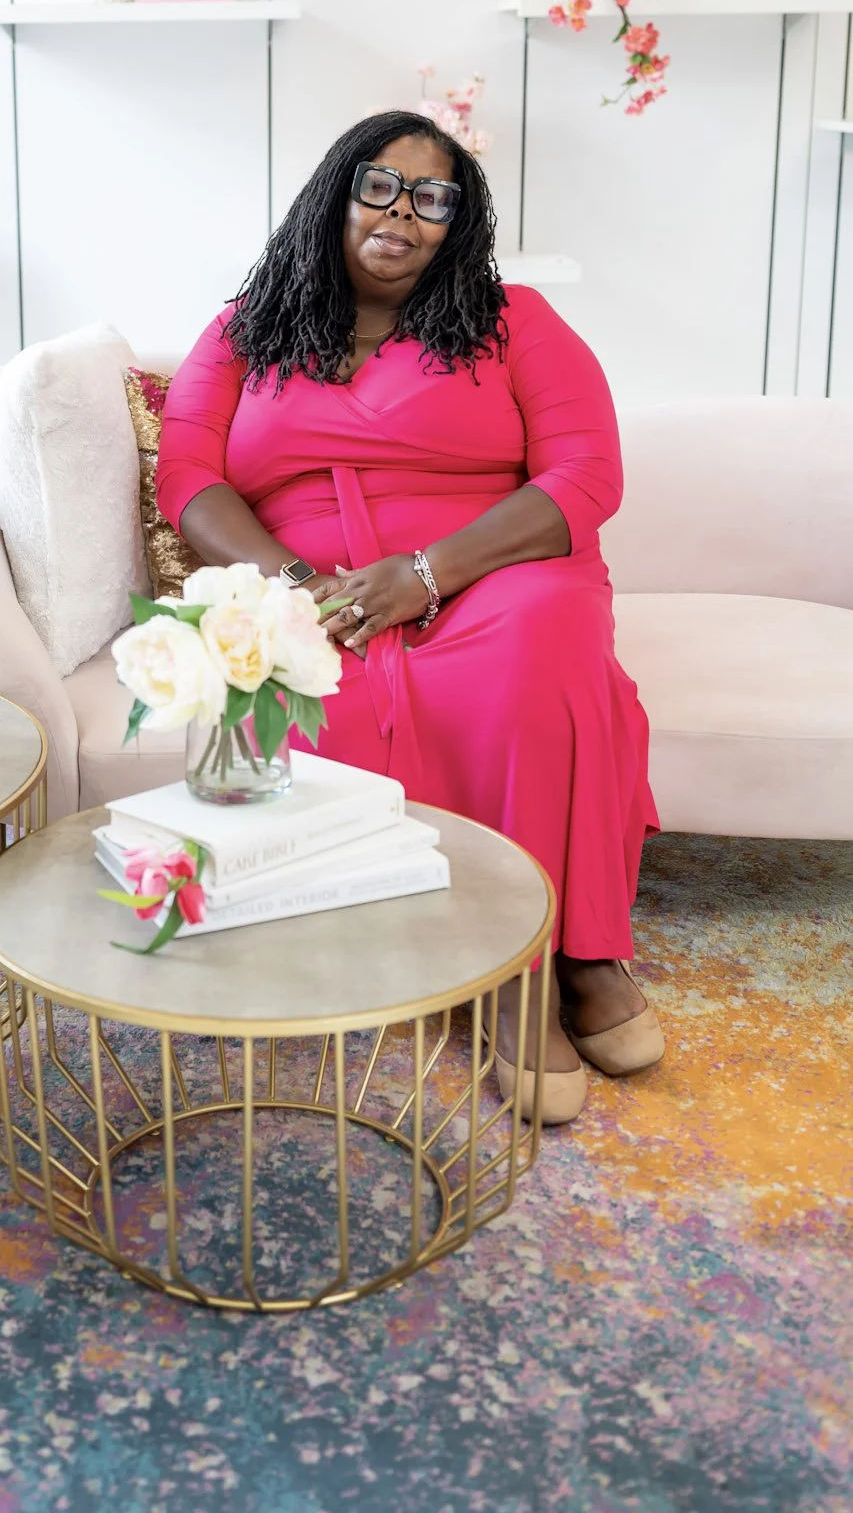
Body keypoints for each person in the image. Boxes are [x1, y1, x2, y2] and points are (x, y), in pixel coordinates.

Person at [156, 110, 663, 1124]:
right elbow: (188, 476)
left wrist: (424, 573)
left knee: (536, 656)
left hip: (493, 565)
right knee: (319, 683)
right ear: (337, 193)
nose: (403, 213)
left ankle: (575, 949)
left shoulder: (516, 319)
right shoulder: (245, 327)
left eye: (435, 198)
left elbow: (586, 474)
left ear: (458, 223)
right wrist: (296, 581)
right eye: (380, 185)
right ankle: (491, 967)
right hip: (310, 576)